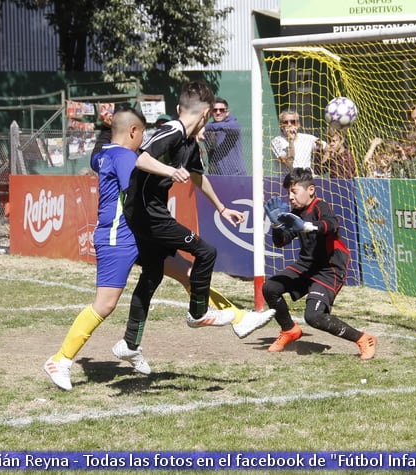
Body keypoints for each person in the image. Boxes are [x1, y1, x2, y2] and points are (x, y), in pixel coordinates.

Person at [43, 106, 271, 389]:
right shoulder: (125, 156)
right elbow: (141, 163)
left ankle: (238, 318)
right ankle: (60, 360)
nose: (144, 142)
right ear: (133, 132)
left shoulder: (103, 154)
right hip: (118, 236)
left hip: (140, 234)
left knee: (188, 273)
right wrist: (171, 170)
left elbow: (105, 158)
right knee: (105, 304)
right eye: (142, 135)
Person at [113, 81, 247, 373]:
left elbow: (198, 177)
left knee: (151, 275)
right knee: (206, 252)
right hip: (147, 213)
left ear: (180, 107)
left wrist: (222, 208)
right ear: (207, 113)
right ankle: (198, 314)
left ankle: (130, 343)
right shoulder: (173, 130)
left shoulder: (188, 142)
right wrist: (170, 170)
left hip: (148, 211)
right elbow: (141, 158)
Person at [261, 167, 376, 359]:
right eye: (288, 192)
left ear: (311, 190)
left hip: (329, 268)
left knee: (314, 317)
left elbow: (331, 225)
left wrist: (305, 226)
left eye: (294, 191)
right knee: (270, 288)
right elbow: (280, 242)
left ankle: (363, 339)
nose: (290, 196)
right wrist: (276, 226)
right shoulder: (294, 213)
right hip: (306, 265)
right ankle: (289, 330)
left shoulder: (320, 206)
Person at [270, 110, 322, 176]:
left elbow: (326, 147)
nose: (289, 125)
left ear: (298, 125)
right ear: (281, 126)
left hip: (307, 179)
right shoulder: (276, 141)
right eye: (286, 122)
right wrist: (291, 141)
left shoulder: (309, 138)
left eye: (293, 122)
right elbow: (288, 163)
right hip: (288, 180)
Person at [202, 97, 246, 175]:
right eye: (215, 110)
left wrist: (204, 128)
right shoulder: (208, 128)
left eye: (221, 110)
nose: (218, 112)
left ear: (227, 112)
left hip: (236, 174)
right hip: (217, 174)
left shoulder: (233, 124)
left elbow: (231, 127)